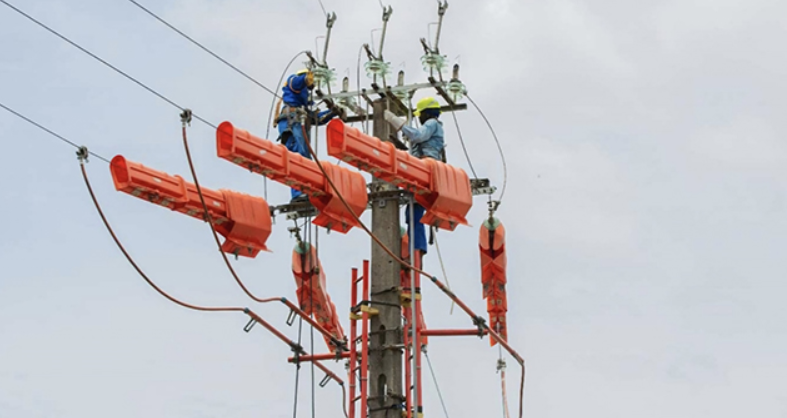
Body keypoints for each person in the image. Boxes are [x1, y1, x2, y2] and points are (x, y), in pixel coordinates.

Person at [383, 97, 446, 260]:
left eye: (420, 115)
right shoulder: (432, 126)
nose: (419, 118)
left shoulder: (432, 124)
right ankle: (416, 251)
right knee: (413, 213)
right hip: (422, 167)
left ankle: (417, 251)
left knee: (414, 212)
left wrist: (400, 125)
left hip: (427, 166)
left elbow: (417, 136)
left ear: (426, 113)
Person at [274, 69, 338, 202]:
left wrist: (333, 112)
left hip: (298, 123)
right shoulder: (293, 82)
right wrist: (306, 78)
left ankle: (304, 191)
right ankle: (298, 193)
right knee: (297, 157)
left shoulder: (304, 103)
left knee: (304, 160)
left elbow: (317, 118)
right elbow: (296, 82)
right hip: (291, 123)